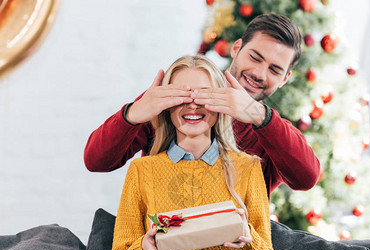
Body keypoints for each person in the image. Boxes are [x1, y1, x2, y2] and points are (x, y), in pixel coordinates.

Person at [84, 13, 321, 198]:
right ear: (237, 48)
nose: (259, 73)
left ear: (285, 79)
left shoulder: (269, 129)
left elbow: (306, 178)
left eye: (274, 69)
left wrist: (257, 115)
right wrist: (133, 114)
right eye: (255, 57)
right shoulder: (176, 97)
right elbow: (96, 161)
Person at [107, 55, 278, 250]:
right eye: (182, 96)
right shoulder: (142, 172)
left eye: (204, 96)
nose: (193, 105)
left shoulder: (247, 168)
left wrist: (247, 239)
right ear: (166, 106)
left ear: (220, 104)